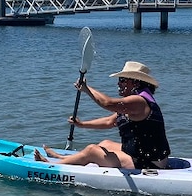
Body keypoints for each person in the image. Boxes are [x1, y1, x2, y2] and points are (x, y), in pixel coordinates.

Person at [34, 61, 171, 170]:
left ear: (135, 83)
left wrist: (87, 89)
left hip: (149, 163)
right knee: (105, 143)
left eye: (122, 80)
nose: (118, 83)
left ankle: (52, 165)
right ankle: (62, 158)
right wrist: (81, 124)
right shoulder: (135, 102)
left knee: (92, 150)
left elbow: (107, 103)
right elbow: (109, 122)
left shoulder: (138, 102)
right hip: (141, 154)